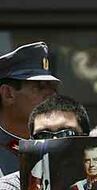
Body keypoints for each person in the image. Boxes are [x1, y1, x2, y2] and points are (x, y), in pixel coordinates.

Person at [0, 42, 59, 177]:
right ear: (8, 94)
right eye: (40, 87)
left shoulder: (57, 149)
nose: (51, 95)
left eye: (52, 87)